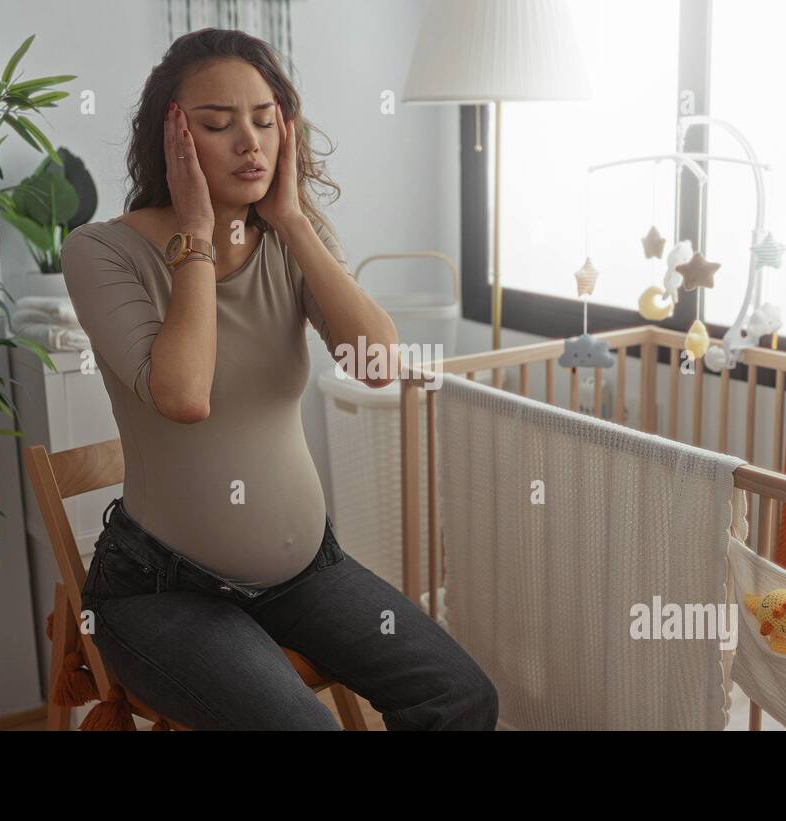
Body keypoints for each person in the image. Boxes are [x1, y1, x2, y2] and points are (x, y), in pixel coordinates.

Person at [60, 27, 497, 730]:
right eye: (217, 123)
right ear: (171, 140)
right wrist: (197, 237)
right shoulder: (100, 251)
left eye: (265, 121)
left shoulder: (285, 243)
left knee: (462, 695)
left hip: (306, 574)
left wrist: (292, 220)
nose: (249, 143)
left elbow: (379, 366)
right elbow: (184, 395)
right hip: (162, 594)